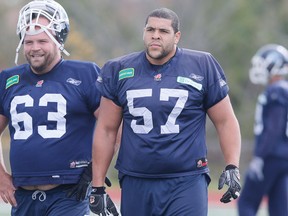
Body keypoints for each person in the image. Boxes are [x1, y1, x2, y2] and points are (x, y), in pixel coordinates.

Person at [89, 7, 241, 216]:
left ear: (177, 36)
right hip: (136, 179)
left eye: (163, 31)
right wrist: (97, 185)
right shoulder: (118, 68)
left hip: (186, 179)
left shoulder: (202, 65)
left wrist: (232, 165)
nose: (155, 35)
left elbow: (225, 121)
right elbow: (106, 129)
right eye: (150, 29)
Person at [0, 0, 113, 215]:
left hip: (69, 194)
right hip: (23, 197)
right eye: (29, 42)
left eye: (42, 41)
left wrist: (94, 173)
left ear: (58, 41)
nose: (35, 48)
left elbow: (112, 126)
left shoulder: (85, 73)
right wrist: (1, 176)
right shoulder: (8, 79)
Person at [238, 44, 288, 216]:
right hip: (283, 157)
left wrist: (260, 156)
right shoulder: (283, 90)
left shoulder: (276, 91)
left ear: (274, 64)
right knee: (279, 208)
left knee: (246, 203)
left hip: (271, 156)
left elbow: (274, 127)